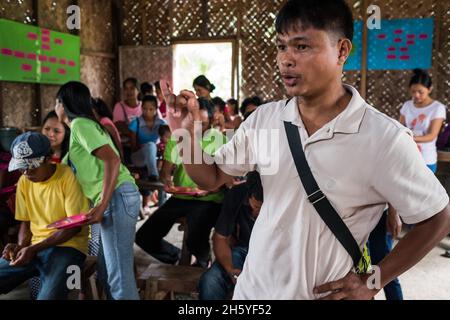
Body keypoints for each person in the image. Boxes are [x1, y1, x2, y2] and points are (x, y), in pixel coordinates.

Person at [167, 0, 450, 300]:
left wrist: (372, 281)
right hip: (253, 293)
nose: (286, 59)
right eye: (281, 46)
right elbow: (210, 178)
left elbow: (437, 217)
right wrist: (184, 133)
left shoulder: (382, 138)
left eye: (301, 47)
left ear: (342, 50)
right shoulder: (264, 120)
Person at [55, 81, 141, 300]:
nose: (55, 107)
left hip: (115, 197)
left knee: (118, 276)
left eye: (56, 102)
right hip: (115, 196)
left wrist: (102, 204)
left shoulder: (80, 125)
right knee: (107, 271)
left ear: (63, 104)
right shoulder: (82, 128)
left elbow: (112, 160)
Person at [135, 107, 228, 268]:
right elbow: (165, 172)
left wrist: (214, 186)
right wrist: (167, 181)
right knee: (144, 236)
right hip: (181, 196)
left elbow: (226, 174)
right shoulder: (177, 138)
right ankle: (177, 257)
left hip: (209, 199)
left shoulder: (220, 140)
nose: (198, 128)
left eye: (203, 124)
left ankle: (203, 262)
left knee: (195, 237)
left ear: (211, 122)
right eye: (195, 123)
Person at [0, 132, 89, 300]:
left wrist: (33, 249)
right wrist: (20, 246)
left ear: (49, 158)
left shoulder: (67, 176)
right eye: (21, 167)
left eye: (31, 166)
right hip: (36, 247)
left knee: (49, 297)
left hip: (70, 249)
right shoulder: (24, 182)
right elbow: (25, 224)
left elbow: (74, 227)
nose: (26, 172)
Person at [199, 171, 263, 300]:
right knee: (211, 281)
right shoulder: (237, 193)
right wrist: (230, 269)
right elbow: (220, 238)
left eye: (264, 208)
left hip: (275, 254)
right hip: (243, 250)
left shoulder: (290, 200)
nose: (258, 212)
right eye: (256, 206)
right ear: (249, 195)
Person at [399, 68, 447, 174]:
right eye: (413, 91)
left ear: (430, 89)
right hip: (407, 157)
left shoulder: (437, 108)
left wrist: (408, 138)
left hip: (426, 159)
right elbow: (399, 127)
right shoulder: (407, 106)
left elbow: (431, 136)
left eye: (420, 92)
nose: (416, 95)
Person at [129, 95, 167, 182]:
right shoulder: (136, 123)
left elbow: (166, 143)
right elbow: (133, 147)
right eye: (144, 109)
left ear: (156, 109)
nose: (147, 112)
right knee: (150, 145)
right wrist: (147, 149)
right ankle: (153, 175)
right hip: (138, 158)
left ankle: (153, 173)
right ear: (141, 108)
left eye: (151, 109)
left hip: (155, 158)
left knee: (152, 146)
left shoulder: (161, 124)